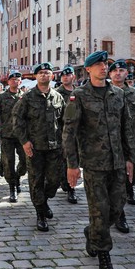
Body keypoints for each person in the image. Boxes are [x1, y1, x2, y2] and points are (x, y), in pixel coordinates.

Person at [63, 51, 134, 269]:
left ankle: (92, 232)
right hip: (94, 164)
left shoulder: (118, 94)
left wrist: (130, 159)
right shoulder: (79, 96)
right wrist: (72, 165)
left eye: (105, 63)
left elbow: (126, 129)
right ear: (89, 69)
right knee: (100, 211)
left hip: (117, 162)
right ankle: (104, 258)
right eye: (98, 64)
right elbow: (69, 132)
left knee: (117, 207)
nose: (104, 67)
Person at [12, 62, 66, 232]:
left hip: (54, 147)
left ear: (52, 76)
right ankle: (40, 214)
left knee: (54, 181)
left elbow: (64, 122)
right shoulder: (27, 98)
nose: (44, 75)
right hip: (35, 147)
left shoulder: (58, 97)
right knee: (36, 181)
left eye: (47, 72)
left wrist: (65, 143)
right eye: (40, 72)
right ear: (36, 76)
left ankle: (44, 202)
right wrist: (24, 141)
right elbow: (17, 120)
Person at [108, 60, 135, 233]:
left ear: (127, 74)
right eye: (115, 70)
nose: (118, 73)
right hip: (109, 145)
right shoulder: (104, 92)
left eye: (122, 70)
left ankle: (121, 204)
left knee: (128, 179)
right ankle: (119, 214)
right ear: (110, 74)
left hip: (130, 144)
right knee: (113, 182)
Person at [0, 70, 26, 202]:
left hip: (22, 135)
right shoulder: (2, 97)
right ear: (8, 82)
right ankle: (12, 187)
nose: (15, 81)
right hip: (7, 135)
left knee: (25, 161)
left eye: (17, 79)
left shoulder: (26, 96)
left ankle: (18, 176)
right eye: (12, 79)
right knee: (8, 162)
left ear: (20, 82)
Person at [56, 65, 79, 204]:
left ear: (73, 77)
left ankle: (70, 185)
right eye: (63, 75)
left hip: (78, 133)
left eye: (68, 75)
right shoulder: (56, 94)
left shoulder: (79, 92)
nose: (65, 77)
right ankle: (69, 187)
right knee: (64, 160)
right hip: (61, 132)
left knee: (74, 160)